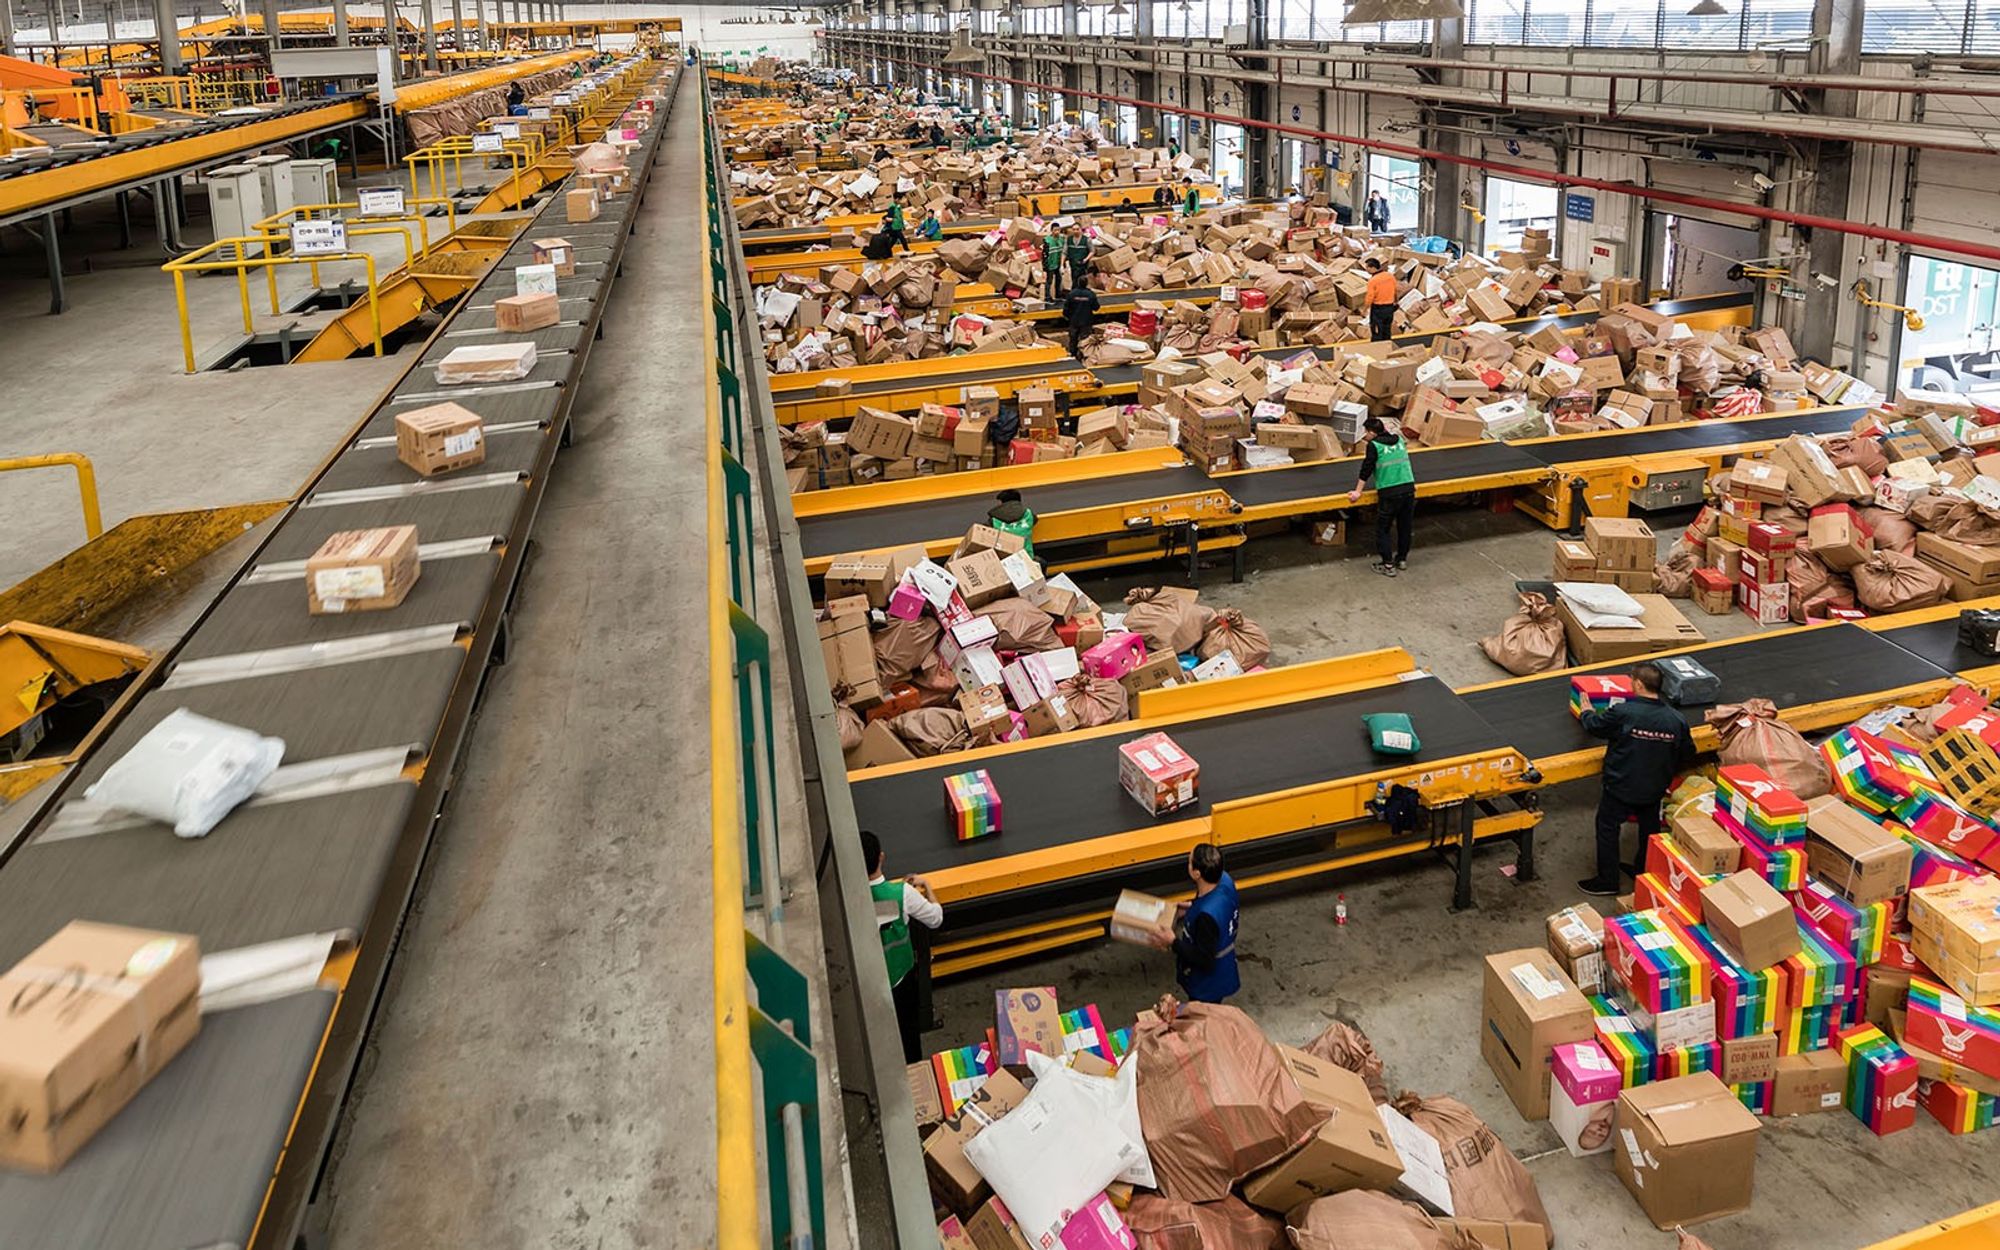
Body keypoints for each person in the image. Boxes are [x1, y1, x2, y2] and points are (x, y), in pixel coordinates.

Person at [1577, 663, 1696, 897]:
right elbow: (1687, 753)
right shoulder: (1676, 720)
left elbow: (1595, 727)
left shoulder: (1624, 712)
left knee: (1607, 828)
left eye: (1632, 680)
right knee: (1649, 830)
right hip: (1654, 788)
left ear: (1639, 684)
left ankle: (1607, 880)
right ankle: (1642, 871)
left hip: (1620, 785)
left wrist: (1586, 711)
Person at [862, 830, 943, 1062]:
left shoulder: (851, 898)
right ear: (881, 857)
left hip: (870, 984)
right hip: (901, 981)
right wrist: (926, 886)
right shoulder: (902, 894)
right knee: (908, 1034)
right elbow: (936, 918)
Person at [1347, 415, 1416, 576]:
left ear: (1372, 432)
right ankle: (1402, 560)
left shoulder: (1374, 445)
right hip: (1408, 489)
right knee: (1404, 527)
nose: (1365, 436)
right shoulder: (1398, 440)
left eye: (1366, 432)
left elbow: (1367, 468)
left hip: (1389, 492)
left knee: (1383, 529)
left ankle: (1388, 565)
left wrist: (1358, 491)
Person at [1173, 844, 1240, 1004]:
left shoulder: (1206, 918)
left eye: (1189, 862)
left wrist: (1172, 941)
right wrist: (1192, 906)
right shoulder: (1224, 880)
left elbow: (1203, 958)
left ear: (1197, 873)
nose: (1187, 864)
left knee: (1203, 1018)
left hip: (1207, 985)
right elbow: (1216, 901)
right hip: (1224, 969)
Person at [987, 489, 1036, 555]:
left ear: (1002, 503)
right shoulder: (1029, 514)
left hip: (1004, 560)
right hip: (1027, 558)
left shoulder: (993, 520)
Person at [1063, 280, 1100, 358]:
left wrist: (1067, 317)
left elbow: (1066, 308)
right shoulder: (1090, 294)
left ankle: (1073, 355)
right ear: (1086, 284)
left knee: (1073, 339)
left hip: (1074, 321)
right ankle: (1083, 356)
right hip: (1086, 321)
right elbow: (1096, 307)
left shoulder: (1072, 294)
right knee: (1085, 340)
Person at [1364, 257, 1398, 342]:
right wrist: (1396, 302)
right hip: (1389, 308)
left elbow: (1370, 297)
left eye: (1367, 268)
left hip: (1378, 309)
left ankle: (1378, 350)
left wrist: (1365, 309)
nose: (1366, 270)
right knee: (1387, 330)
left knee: (1377, 331)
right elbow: (1395, 290)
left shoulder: (1373, 281)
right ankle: (1387, 347)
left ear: (1372, 268)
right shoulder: (1390, 276)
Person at [1064, 225, 1092, 292]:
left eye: (1077, 229)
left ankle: (1079, 292)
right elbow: (1064, 252)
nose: (1075, 231)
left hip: (1082, 264)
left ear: (1081, 230)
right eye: (1074, 229)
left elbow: (1092, 251)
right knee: (1074, 278)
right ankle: (1075, 293)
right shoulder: (1068, 239)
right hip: (1073, 264)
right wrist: (1062, 264)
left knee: (1081, 279)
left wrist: (1086, 259)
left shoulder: (1087, 240)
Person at [1041, 229, 1067, 300]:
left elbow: (1063, 252)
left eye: (1058, 230)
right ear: (1052, 231)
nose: (1057, 232)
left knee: (1059, 279)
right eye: (1055, 230)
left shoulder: (1061, 239)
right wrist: (1045, 267)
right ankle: (1047, 296)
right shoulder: (1047, 240)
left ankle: (1058, 294)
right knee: (1049, 281)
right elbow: (1044, 255)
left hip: (1058, 264)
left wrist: (1063, 264)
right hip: (1050, 264)